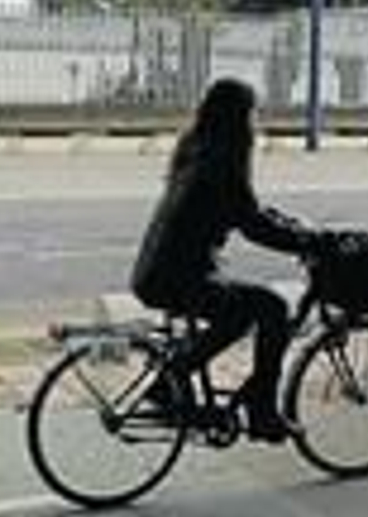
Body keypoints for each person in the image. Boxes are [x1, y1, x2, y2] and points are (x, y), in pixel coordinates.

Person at [130, 78, 322, 443]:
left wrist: (293, 230)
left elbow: (249, 211)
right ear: (237, 119)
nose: (254, 124)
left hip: (159, 270)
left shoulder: (198, 147)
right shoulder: (222, 162)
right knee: (271, 307)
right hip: (178, 276)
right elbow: (253, 224)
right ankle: (259, 410)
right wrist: (306, 243)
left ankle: (172, 380)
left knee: (240, 311)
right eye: (251, 115)